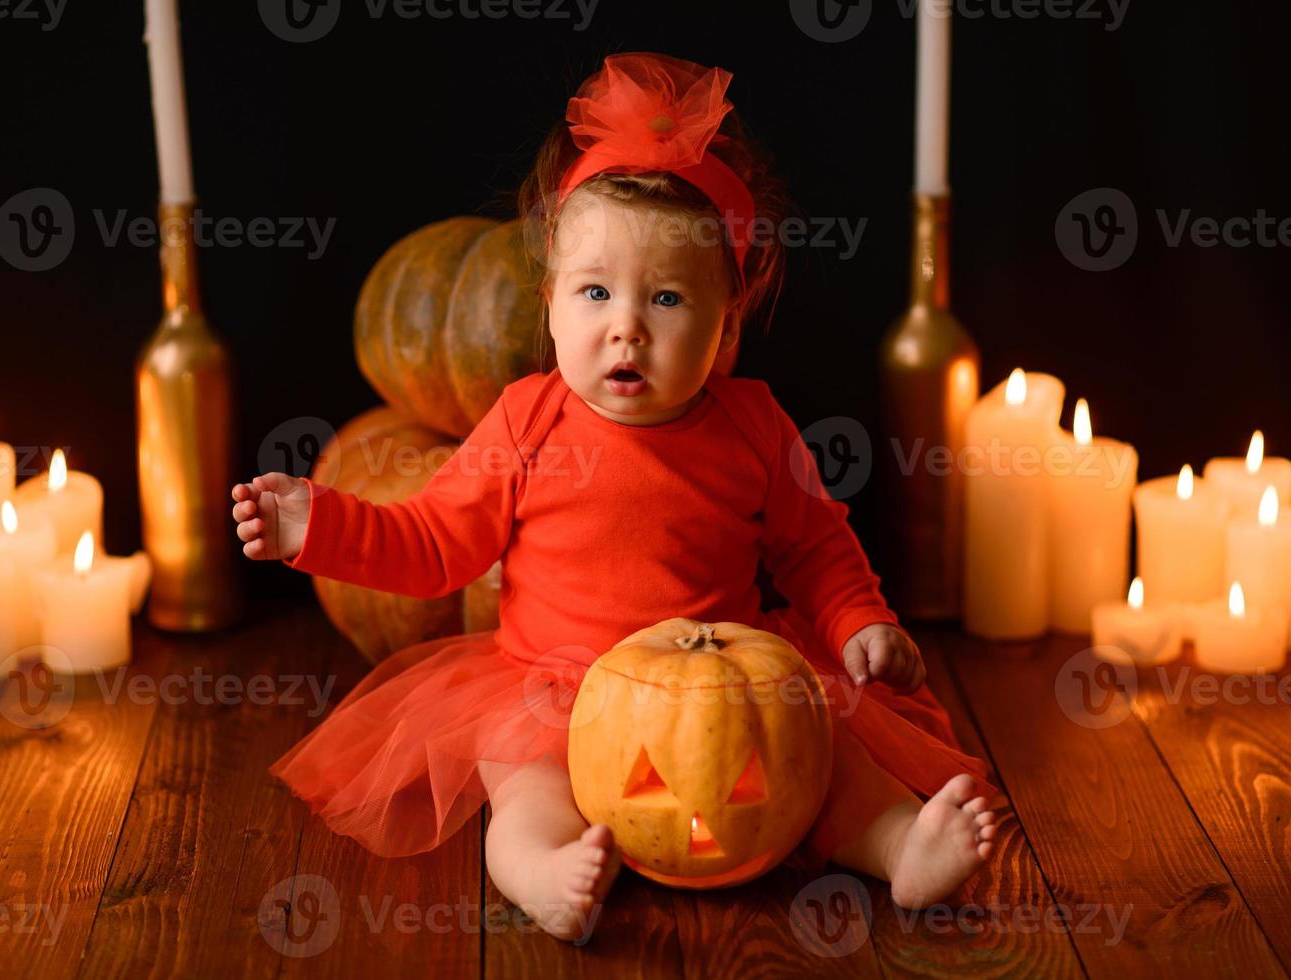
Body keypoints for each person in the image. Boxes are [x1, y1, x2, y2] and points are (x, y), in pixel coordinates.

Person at [231, 52, 999, 943]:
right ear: (551, 303)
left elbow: (815, 548)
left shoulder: (752, 424)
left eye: (667, 297)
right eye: (595, 291)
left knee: (827, 764)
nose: (625, 324)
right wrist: (314, 525)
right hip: (554, 690)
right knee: (526, 797)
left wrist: (861, 623)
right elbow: (432, 542)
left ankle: (905, 849)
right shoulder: (527, 421)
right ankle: (543, 875)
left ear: (725, 327)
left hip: (722, 687)